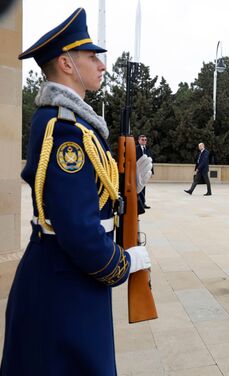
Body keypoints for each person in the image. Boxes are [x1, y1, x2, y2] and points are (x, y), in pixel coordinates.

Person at [1, 8, 152, 375]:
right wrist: (123, 263)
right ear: (67, 64)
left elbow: (83, 195)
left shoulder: (73, 123)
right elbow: (77, 228)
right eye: (91, 56)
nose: (101, 64)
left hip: (69, 279)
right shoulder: (65, 128)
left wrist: (128, 186)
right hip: (64, 284)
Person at [136, 134, 154, 209]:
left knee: (143, 187)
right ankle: (137, 203)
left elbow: (151, 161)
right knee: (137, 188)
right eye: (142, 139)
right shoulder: (135, 148)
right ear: (139, 140)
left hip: (145, 171)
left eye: (145, 140)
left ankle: (143, 203)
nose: (144, 141)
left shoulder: (148, 149)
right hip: (137, 171)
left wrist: (152, 171)